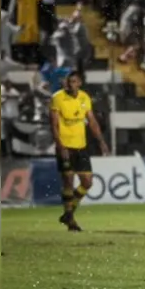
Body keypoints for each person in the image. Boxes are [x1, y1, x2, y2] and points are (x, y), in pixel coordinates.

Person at [50, 71, 109, 231]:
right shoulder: (57, 98)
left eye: (74, 82)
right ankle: (70, 220)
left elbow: (92, 122)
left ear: (80, 83)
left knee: (87, 182)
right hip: (65, 146)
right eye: (69, 82)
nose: (70, 85)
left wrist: (101, 142)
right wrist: (60, 146)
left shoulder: (84, 98)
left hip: (81, 146)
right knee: (68, 180)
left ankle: (68, 213)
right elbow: (54, 125)